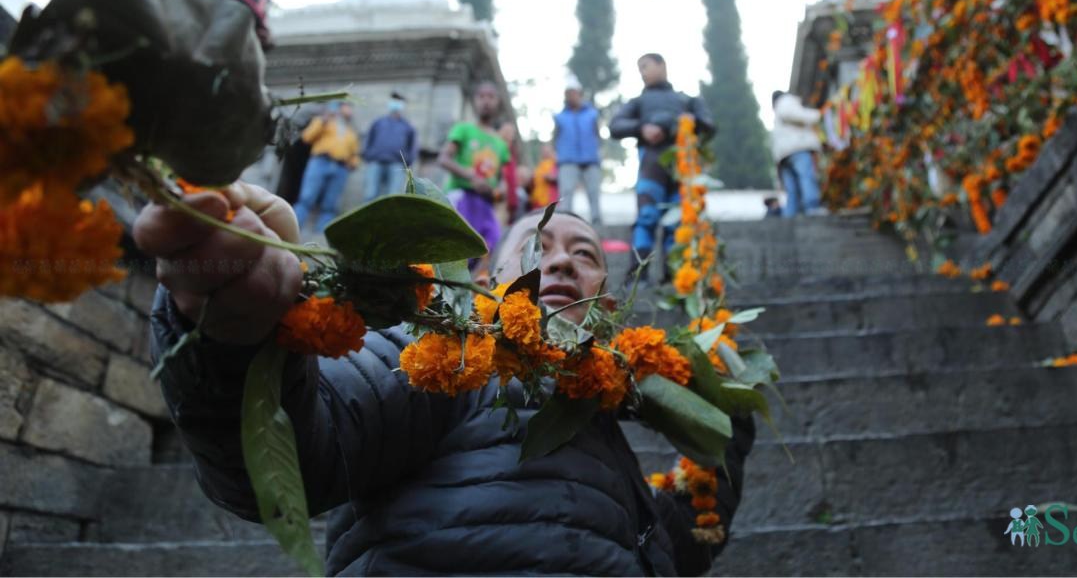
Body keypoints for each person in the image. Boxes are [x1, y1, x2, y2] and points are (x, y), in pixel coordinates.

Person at [135, 186, 754, 575]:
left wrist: (726, 424)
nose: (561, 259)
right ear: (486, 277)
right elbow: (294, 459)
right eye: (537, 245)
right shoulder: (446, 357)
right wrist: (236, 336)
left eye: (586, 254)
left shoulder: (596, 416)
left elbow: (676, 551)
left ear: (608, 299)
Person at [610, 53, 715, 283]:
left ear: (662, 65)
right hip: (652, 165)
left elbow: (709, 124)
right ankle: (638, 276)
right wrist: (642, 128)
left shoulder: (687, 100)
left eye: (645, 66)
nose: (643, 73)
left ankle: (675, 276)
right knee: (647, 217)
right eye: (639, 69)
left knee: (676, 222)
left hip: (682, 170)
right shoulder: (637, 102)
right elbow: (615, 126)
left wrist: (691, 121)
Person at [438, 82, 510, 261]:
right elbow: (443, 158)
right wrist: (471, 177)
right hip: (461, 198)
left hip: (486, 204)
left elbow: (501, 178)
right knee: (456, 252)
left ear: (498, 103)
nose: (486, 101)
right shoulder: (463, 129)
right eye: (481, 96)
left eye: (491, 97)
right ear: (475, 101)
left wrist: (500, 190)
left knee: (495, 250)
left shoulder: (500, 144)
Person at [293, 101, 360, 233]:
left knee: (330, 204)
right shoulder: (323, 121)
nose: (350, 110)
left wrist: (353, 163)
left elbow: (355, 153)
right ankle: (292, 227)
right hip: (320, 162)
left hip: (341, 168)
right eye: (348, 107)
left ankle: (322, 236)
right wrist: (323, 120)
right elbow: (307, 137)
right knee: (307, 197)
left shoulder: (351, 131)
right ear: (340, 108)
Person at [553, 76, 604, 225]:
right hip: (567, 160)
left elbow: (597, 135)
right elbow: (555, 138)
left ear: (579, 93)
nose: (570, 96)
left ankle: (597, 223)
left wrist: (598, 152)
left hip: (590, 159)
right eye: (568, 93)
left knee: (594, 193)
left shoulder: (592, 114)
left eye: (573, 92)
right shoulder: (560, 117)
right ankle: (565, 222)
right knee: (566, 193)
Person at [771, 90, 829, 218]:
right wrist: (819, 115)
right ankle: (812, 207)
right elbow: (795, 114)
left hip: (783, 155)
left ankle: (789, 216)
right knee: (806, 177)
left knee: (792, 189)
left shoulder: (777, 115)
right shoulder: (786, 101)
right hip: (797, 148)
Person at [362, 93, 419, 201]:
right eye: (394, 100)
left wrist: (407, 161)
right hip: (375, 162)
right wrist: (368, 155)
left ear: (403, 105)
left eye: (399, 101)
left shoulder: (407, 126)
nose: (396, 104)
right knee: (370, 195)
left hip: (397, 165)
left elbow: (412, 146)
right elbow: (368, 139)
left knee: (393, 197)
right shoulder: (378, 122)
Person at [528, 142, 559, 210]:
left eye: (547, 150)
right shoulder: (541, 164)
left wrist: (550, 177)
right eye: (543, 150)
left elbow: (558, 178)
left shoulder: (556, 163)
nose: (545, 152)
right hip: (538, 201)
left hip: (550, 200)